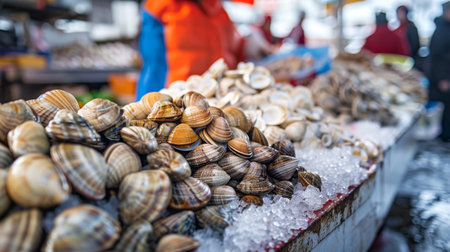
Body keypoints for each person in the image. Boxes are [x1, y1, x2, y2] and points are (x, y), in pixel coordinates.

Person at [136, 0, 273, 100]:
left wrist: (246, 46)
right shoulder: (163, 7)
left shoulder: (220, 11)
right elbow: (154, 67)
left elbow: (229, 48)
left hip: (215, 104)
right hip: (173, 105)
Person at [429, 1, 450, 141]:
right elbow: (437, 57)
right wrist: (443, 78)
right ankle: (445, 135)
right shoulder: (442, 30)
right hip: (444, 77)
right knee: (446, 107)